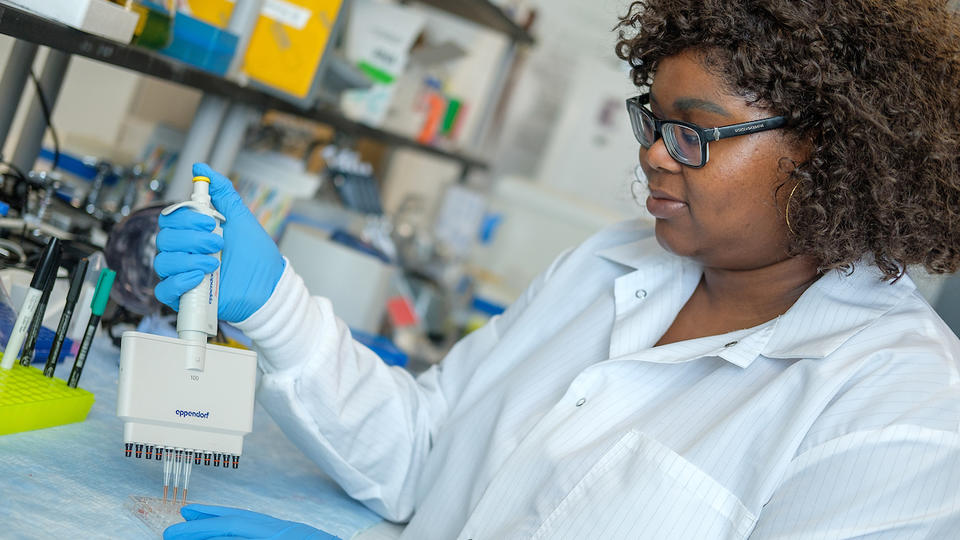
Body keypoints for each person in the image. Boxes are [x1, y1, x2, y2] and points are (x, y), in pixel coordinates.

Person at [160, 1, 960, 538]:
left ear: (833, 151)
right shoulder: (606, 264)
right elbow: (421, 452)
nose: (652, 152)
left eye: (696, 131)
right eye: (655, 117)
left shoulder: (900, 412)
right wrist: (273, 309)